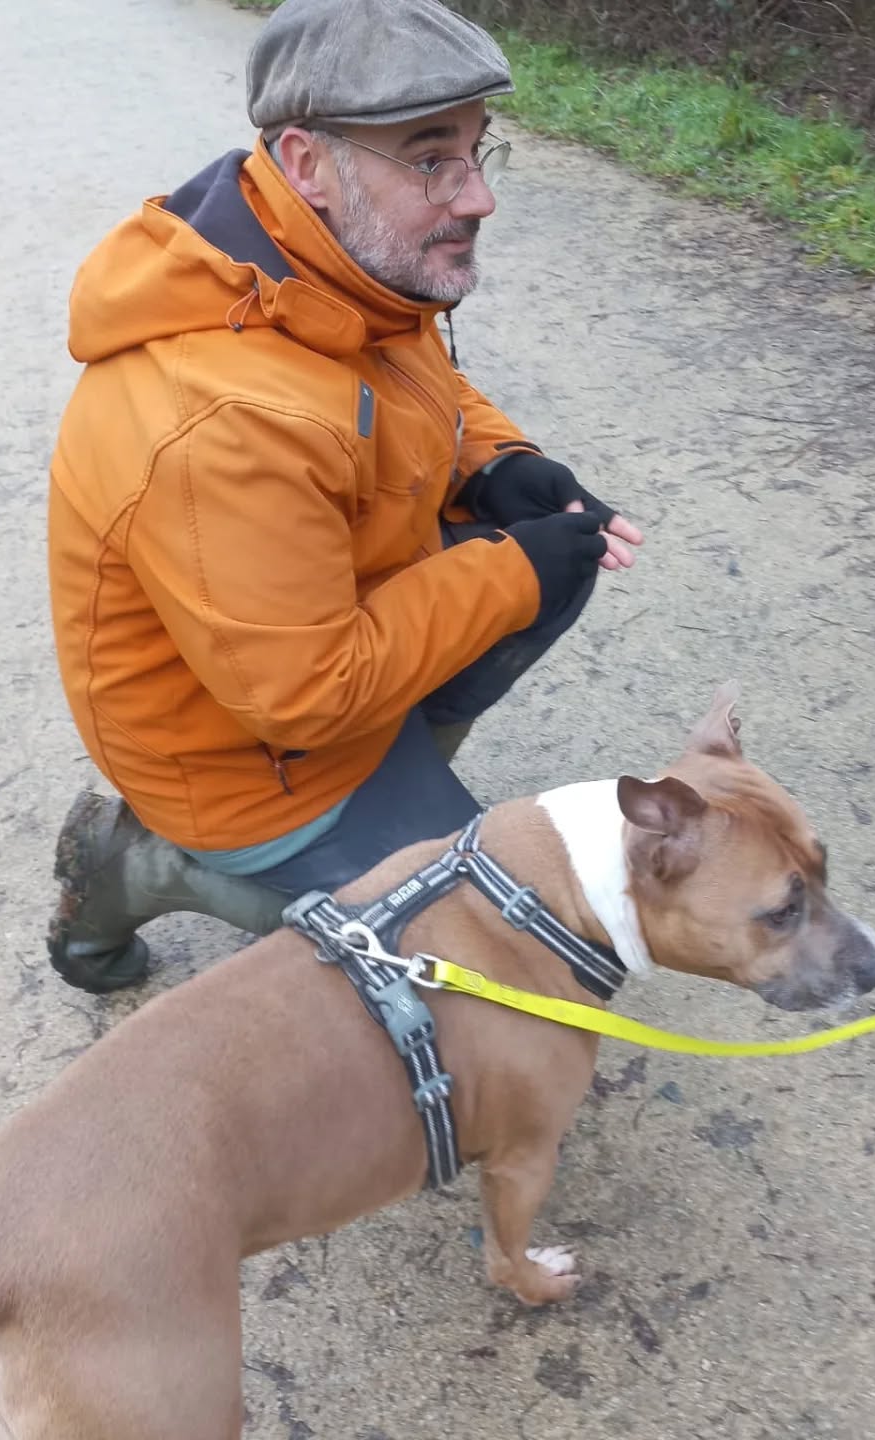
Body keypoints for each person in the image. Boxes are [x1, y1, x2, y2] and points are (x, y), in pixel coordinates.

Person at [45, 0, 643, 993]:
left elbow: (409, 385)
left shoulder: (325, 256)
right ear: (308, 161)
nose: (478, 196)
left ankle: (392, 789)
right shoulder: (220, 416)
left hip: (300, 673)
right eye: (429, 158)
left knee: (556, 555)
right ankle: (146, 860)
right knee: (505, 965)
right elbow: (304, 695)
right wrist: (507, 574)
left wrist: (496, 463)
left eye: (478, 151)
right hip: (246, 762)